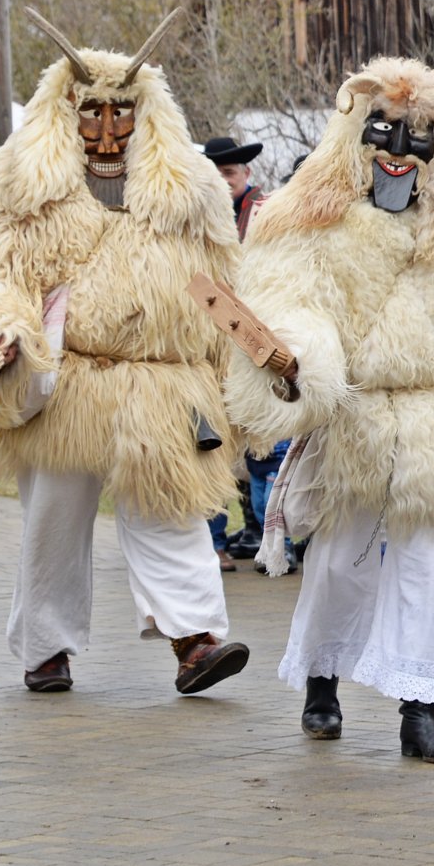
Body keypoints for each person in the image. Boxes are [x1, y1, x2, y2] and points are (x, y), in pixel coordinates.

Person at [223, 57, 434, 764]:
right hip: (355, 417)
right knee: (340, 564)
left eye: (418, 137)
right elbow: (288, 301)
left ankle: (420, 707)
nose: (399, 152)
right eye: (384, 134)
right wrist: (302, 360)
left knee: (433, 572)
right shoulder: (310, 221)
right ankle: (321, 681)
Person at [0, 8, 249, 696]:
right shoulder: (19, 182)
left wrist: (247, 363)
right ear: (66, 113)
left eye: (121, 115)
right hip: (64, 378)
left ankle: (196, 640)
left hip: (161, 382)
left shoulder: (189, 190)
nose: (106, 131)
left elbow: (225, 281)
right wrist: (3, 331)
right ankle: (45, 647)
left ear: (145, 116)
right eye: (91, 114)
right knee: (54, 515)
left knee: (173, 503)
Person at [201, 135, 270, 570]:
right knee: (209, 446)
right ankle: (213, 543)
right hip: (205, 344)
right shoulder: (193, 218)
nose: (223, 181)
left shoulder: (265, 215)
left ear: (246, 175)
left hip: (252, 339)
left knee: (263, 450)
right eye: (215, 174)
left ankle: (267, 537)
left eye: (229, 173)